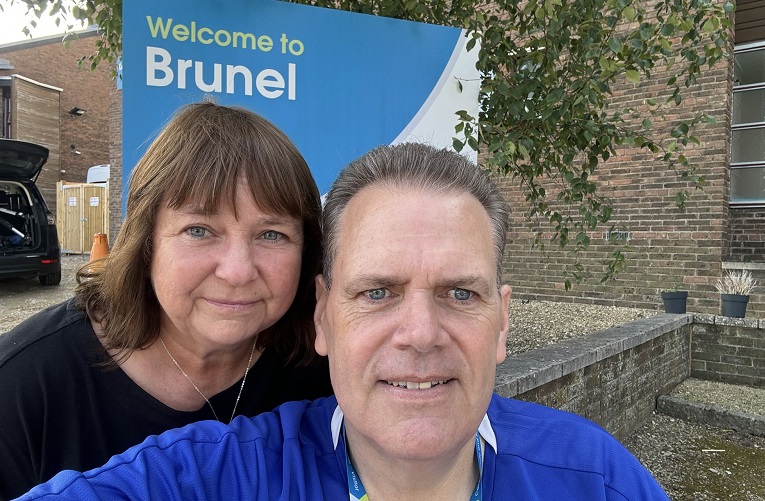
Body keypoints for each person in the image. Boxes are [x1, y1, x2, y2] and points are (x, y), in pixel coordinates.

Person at [15, 143, 668, 500]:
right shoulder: (223, 472)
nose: (419, 332)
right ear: (322, 317)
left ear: (502, 323)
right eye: (378, 291)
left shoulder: (596, 476)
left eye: (459, 294)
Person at [0, 101, 333, 500]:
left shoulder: (325, 371)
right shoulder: (26, 382)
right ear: (146, 242)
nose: (238, 270)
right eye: (199, 230)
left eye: (271, 235)